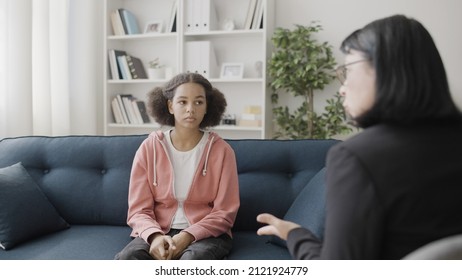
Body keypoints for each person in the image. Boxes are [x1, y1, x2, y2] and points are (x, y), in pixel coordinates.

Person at [256, 14, 462, 259]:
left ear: (384, 70)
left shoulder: (358, 158)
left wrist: (296, 236)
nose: (342, 88)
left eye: (347, 70)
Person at [115, 73, 240, 260]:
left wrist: (187, 236)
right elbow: (138, 210)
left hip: (206, 233)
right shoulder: (149, 148)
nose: (191, 109)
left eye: (198, 102)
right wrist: (155, 236)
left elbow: (224, 213)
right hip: (159, 230)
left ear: (207, 107)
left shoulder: (222, 151)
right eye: (182, 102)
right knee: (127, 259)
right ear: (170, 106)